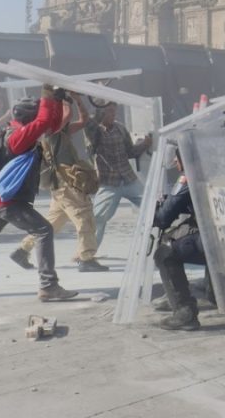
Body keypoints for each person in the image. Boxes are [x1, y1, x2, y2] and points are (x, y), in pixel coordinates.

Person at [0, 86, 78, 301]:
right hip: (6, 202)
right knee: (44, 230)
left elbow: (52, 126)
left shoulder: (16, 131)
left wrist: (56, 100)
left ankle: (49, 285)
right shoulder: (17, 137)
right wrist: (47, 95)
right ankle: (48, 286)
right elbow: (44, 123)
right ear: (30, 117)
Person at [11, 92, 109, 272]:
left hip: (62, 185)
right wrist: (65, 97)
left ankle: (22, 250)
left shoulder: (59, 130)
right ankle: (86, 258)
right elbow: (68, 115)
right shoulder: (49, 131)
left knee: (52, 223)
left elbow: (84, 119)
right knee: (84, 217)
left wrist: (77, 99)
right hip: (67, 184)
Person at [83, 100, 151, 248]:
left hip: (129, 179)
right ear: (101, 113)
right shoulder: (94, 131)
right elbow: (88, 126)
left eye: (114, 111)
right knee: (98, 218)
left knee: (152, 207)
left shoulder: (120, 128)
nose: (113, 115)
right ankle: (87, 253)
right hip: (108, 183)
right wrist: (98, 103)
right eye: (109, 111)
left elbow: (130, 151)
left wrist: (145, 144)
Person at [152, 148, 205, 331]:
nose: (175, 161)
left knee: (165, 254)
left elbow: (164, 217)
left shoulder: (189, 177)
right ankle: (213, 293)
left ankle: (184, 312)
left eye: (178, 155)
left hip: (214, 242)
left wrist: (157, 208)